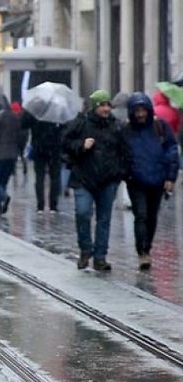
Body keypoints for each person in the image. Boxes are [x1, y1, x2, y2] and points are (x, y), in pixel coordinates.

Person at [63, 89, 132, 271]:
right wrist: (81, 145)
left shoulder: (116, 126)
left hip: (108, 180)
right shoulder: (81, 124)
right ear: (95, 106)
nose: (106, 108)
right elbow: (65, 144)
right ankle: (86, 249)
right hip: (83, 178)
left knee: (104, 219)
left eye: (108, 104)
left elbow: (126, 151)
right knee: (83, 213)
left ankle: (100, 257)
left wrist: (120, 173)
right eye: (102, 105)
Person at [123, 92, 179, 269]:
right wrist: (125, 172)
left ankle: (147, 247)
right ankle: (142, 252)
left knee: (152, 216)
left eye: (143, 110)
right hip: (136, 180)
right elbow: (119, 153)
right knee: (141, 215)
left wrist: (170, 177)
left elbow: (172, 151)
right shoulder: (125, 130)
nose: (140, 114)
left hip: (157, 179)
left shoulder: (160, 127)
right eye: (136, 111)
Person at [22, 109, 64, 213]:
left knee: (39, 176)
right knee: (55, 177)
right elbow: (64, 127)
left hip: (39, 147)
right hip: (54, 147)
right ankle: (53, 206)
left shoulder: (36, 110)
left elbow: (23, 124)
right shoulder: (56, 109)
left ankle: (40, 206)